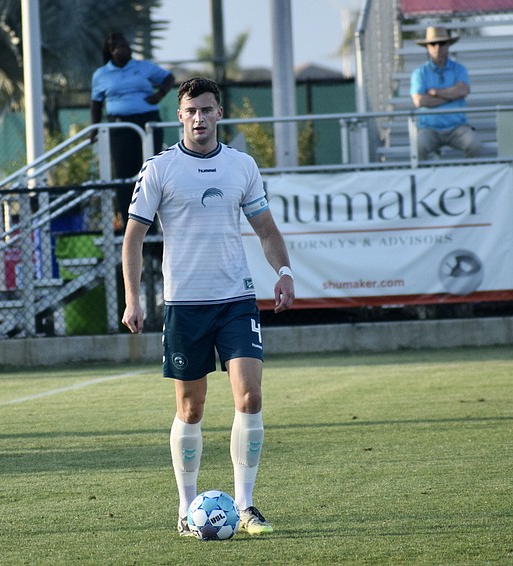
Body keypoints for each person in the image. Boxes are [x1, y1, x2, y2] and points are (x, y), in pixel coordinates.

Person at [120, 77, 295, 537]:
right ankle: (184, 508)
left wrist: (283, 273)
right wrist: (133, 297)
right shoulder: (158, 169)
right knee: (191, 409)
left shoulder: (241, 166)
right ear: (179, 115)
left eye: (207, 109)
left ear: (220, 114)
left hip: (235, 300)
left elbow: (267, 231)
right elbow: (133, 237)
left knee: (250, 396)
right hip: (185, 305)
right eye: (191, 110)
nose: (199, 118)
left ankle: (245, 505)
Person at [90, 31, 175, 225]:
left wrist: (159, 94)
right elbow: (95, 104)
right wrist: (93, 129)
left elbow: (168, 77)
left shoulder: (143, 66)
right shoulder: (101, 74)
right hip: (121, 127)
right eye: (122, 47)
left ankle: (154, 229)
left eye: (128, 46)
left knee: (151, 173)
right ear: (112, 51)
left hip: (147, 123)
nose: (127, 50)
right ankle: (129, 225)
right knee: (125, 176)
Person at [410, 26, 482, 160]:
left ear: (448, 45)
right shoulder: (420, 73)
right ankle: (423, 180)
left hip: (457, 128)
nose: (438, 47)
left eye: (442, 43)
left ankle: (470, 179)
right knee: (417, 148)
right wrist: (452, 96)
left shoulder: (459, 69)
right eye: (433, 44)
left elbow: (464, 90)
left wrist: (435, 93)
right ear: (427, 47)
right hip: (429, 129)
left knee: (474, 145)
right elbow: (420, 101)